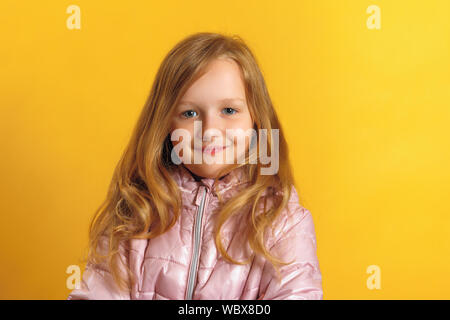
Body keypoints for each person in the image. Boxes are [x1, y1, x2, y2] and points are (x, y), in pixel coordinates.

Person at [67, 32, 323, 300]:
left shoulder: (282, 219)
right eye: (189, 113)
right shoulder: (137, 209)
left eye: (229, 111)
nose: (210, 130)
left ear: (256, 118)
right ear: (166, 125)